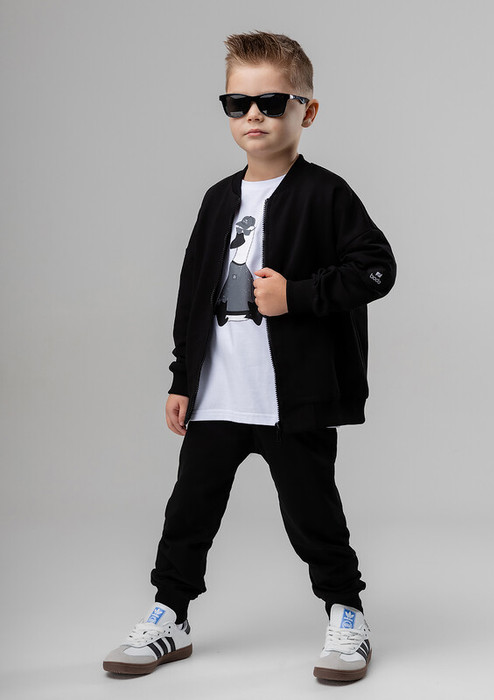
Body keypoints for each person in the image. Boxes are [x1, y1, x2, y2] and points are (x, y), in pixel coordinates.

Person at [103, 30, 396, 683]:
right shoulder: (217, 200)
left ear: (306, 111)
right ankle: (170, 615)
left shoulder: (326, 194)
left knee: (313, 514)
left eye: (271, 101)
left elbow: (377, 270)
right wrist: (183, 378)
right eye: (238, 104)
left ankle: (346, 613)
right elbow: (192, 296)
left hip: (291, 399)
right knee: (188, 511)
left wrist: (298, 295)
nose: (254, 115)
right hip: (218, 396)